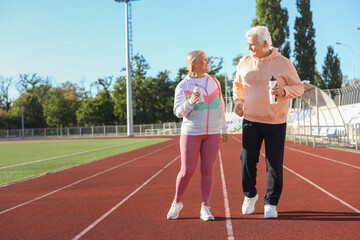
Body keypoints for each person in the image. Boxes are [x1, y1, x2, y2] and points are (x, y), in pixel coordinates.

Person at [233, 26, 304, 218]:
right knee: (247, 160)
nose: (249, 49)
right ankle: (250, 195)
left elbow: (299, 87)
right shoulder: (244, 62)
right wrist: (238, 102)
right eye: (247, 45)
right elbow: (237, 84)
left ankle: (271, 203)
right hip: (250, 120)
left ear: (265, 43)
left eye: (252, 45)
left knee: (274, 164)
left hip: (276, 122)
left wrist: (283, 91)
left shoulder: (283, 63)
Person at [167, 50, 228, 221]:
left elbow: (221, 105)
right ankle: (177, 202)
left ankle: (205, 207)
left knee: (208, 169)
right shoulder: (183, 86)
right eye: (204, 60)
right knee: (187, 171)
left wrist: (224, 128)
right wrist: (190, 102)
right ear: (193, 63)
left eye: (207, 59)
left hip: (213, 132)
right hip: (192, 132)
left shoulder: (214, 81)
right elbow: (178, 112)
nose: (208, 62)